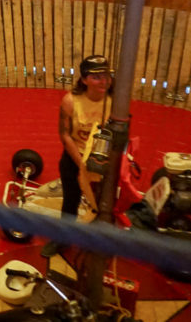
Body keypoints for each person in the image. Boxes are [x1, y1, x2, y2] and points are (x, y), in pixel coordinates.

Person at [41, 54, 114, 258]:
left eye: (106, 75)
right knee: (71, 200)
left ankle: (97, 240)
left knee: (102, 203)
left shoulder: (113, 102)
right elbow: (64, 134)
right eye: (96, 77)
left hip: (102, 161)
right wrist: (82, 163)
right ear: (84, 79)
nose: (103, 81)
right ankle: (63, 238)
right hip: (75, 158)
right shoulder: (71, 101)